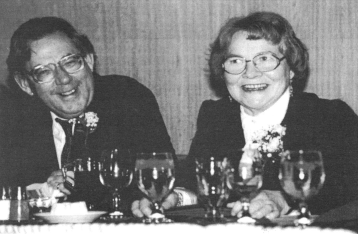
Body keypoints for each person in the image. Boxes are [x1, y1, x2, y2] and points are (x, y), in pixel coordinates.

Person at [180, 11, 358, 219]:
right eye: (236, 61)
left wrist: (283, 198)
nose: (250, 73)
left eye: (264, 59)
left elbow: (349, 181)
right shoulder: (215, 116)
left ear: (290, 68)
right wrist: (176, 196)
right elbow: (195, 184)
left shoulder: (329, 116)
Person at [4, 16, 177, 212]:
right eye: (44, 72)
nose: (63, 79)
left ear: (88, 59)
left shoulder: (126, 98)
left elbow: (159, 176)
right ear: (26, 84)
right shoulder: (14, 122)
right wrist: (41, 192)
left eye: (70, 62)